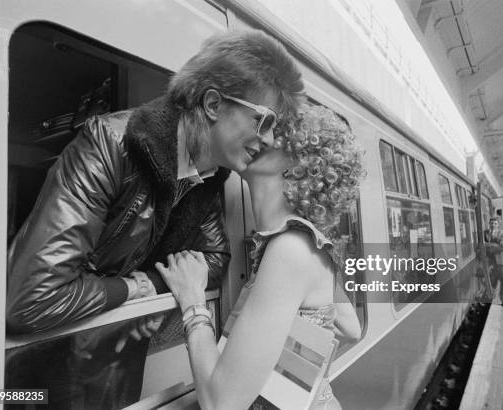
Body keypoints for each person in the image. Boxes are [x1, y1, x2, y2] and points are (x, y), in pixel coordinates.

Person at [5, 30, 304, 409]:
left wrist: (153, 280)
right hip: (44, 364)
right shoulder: (111, 144)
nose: (273, 140)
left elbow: (213, 262)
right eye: (265, 122)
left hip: (116, 361)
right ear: (213, 103)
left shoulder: (209, 177)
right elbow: (33, 298)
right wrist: (137, 290)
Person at [156, 105, 365, 409]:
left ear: (298, 165)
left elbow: (220, 403)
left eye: (274, 133)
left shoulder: (290, 250)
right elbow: (350, 327)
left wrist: (192, 302)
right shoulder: (304, 243)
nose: (258, 137)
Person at [485, 217, 503, 307]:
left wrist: (488, 245)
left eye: (495, 223)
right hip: (490, 261)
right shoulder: (485, 233)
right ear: (489, 224)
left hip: (501, 261)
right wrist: (493, 245)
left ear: (498, 224)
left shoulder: (502, 233)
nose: (493, 225)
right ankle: (490, 297)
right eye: (491, 223)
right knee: (491, 280)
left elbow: (502, 247)